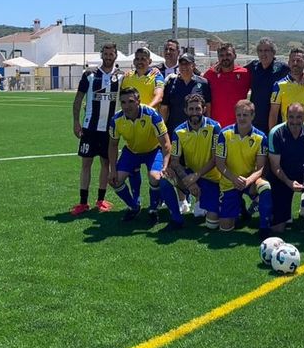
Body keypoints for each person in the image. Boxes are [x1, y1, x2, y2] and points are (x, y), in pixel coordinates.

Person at [106, 87, 183, 230]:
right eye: (123, 102)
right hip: (131, 152)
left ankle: (153, 209)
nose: (127, 106)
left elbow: (166, 144)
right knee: (114, 180)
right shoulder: (116, 119)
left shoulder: (152, 115)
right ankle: (134, 206)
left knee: (156, 177)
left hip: (152, 151)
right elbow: (112, 145)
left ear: (138, 101)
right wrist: (112, 169)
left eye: (130, 101)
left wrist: (166, 166)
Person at [71, 42, 121, 215]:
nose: (108, 57)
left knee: (105, 164)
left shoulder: (121, 77)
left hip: (110, 129)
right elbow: (78, 99)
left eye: (111, 54)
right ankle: (83, 202)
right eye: (105, 54)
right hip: (90, 128)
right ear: (101, 55)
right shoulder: (89, 75)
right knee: (86, 163)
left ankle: (101, 200)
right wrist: (76, 122)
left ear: (116, 55)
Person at [266, 100, 304, 238]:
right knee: (278, 229)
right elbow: (275, 167)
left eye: (299, 117)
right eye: (291, 117)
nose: (295, 121)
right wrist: (289, 182)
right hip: (281, 177)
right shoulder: (276, 133)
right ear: (286, 116)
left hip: (302, 173)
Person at [211, 99, 273, 236]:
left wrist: (248, 180)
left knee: (265, 187)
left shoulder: (260, 137)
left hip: (250, 180)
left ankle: (264, 228)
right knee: (225, 228)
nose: (241, 118)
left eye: (245, 115)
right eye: (239, 115)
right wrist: (234, 179)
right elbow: (220, 164)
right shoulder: (224, 134)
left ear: (253, 116)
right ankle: (241, 207)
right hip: (229, 181)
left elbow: (261, 168)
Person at [167, 92, 221, 223]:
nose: (195, 112)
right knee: (166, 175)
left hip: (213, 178)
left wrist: (195, 176)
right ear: (186, 110)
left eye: (198, 108)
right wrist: (188, 179)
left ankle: (201, 199)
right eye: (191, 109)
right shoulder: (179, 131)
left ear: (204, 109)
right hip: (192, 174)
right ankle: (181, 204)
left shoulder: (215, 127)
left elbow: (215, 158)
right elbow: (174, 161)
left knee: (210, 219)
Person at [203, 43, 252, 134]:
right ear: (218, 58)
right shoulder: (210, 74)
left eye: (228, 54)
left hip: (239, 128)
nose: (225, 58)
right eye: (221, 55)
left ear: (235, 55)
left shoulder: (245, 74)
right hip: (216, 129)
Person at [158, 52, 210, 132]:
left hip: (197, 130)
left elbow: (207, 107)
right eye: (181, 64)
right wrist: (162, 130)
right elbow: (164, 108)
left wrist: (207, 128)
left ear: (193, 65)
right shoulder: (170, 82)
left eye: (187, 63)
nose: (184, 66)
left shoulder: (203, 83)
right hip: (174, 130)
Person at [268, 47, 304, 130]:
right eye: (292, 60)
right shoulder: (279, 85)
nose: (295, 63)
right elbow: (273, 114)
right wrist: (272, 137)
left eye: (299, 61)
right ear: (288, 63)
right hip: (289, 134)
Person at [246, 38, 289, 132]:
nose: (263, 54)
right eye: (260, 51)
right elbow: (236, 71)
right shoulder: (253, 67)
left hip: (277, 120)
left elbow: (297, 72)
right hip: (256, 120)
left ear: (273, 53)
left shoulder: (282, 68)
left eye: (266, 50)